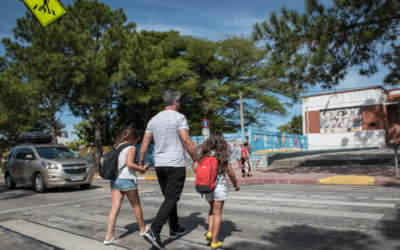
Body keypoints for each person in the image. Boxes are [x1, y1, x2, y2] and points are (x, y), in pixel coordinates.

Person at [139, 90, 199, 250]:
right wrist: (195, 159)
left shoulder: (153, 119)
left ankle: (174, 228)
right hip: (175, 164)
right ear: (176, 102)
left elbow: (145, 143)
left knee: (169, 198)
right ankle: (154, 230)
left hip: (160, 165)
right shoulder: (179, 117)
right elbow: (186, 140)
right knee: (172, 197)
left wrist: (141, 162)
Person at [195, 131, 240, 250]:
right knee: (217, 213)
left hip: (206, 187)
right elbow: (230, 172)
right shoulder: (222, 154)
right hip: (218, 187)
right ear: (221, 142)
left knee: (212, 209)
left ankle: (210, 232)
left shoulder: (204, 154)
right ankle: (215, 241)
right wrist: (236, 184)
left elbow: (196, 169)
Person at [104, 128, 149, 245]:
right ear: (133, 139)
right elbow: (129, 164)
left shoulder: (117, 147)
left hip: (115, 180)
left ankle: (109, 236)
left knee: (114, 208)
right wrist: (141, 169)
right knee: (136, 205)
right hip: (126, 179)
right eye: (136, 140)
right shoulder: (131, 148)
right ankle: (143, 229)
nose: (136, 142)